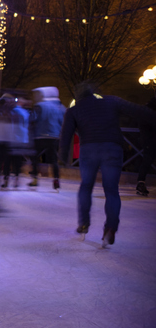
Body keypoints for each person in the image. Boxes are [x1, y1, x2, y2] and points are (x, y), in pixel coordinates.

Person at [59, 82, 156, 246]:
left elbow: (66, 135)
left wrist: (62, 157)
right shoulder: (112, 101)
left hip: (88, 150)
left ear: (78, 95)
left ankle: (83, 223)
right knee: (111, 190)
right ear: (94, 92)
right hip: (112, 148)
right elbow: (140, 111)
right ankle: (110, 227)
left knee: (86, 186)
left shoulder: (74, 110)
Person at [28, 86, 65, 190]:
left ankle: (35, 178)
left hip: (40, 136)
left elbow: (32, 119)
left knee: (35, 157)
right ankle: (56, 179)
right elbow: (63, 122)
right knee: (54, 160)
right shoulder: (60, 107)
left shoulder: (39, 106)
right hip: (54, 137)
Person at [137, 94, 156, 197]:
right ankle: (141, 182)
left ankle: (141, 182)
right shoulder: (148, 108)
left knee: (147, 160)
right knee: (147, 161)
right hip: (149, 139)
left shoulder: (147, 107)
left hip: (148, 139)